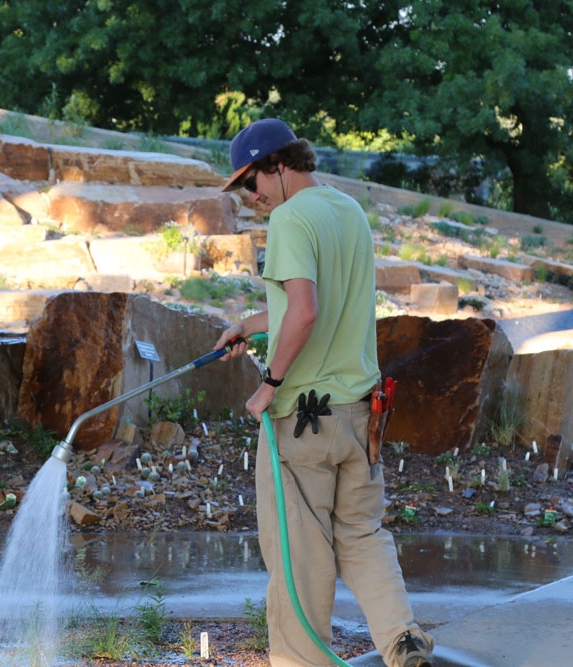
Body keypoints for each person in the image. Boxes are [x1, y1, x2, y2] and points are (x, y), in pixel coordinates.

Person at [214, 119, 433, 667]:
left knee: (299, 560)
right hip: (360, 416)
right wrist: (252, 323)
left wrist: (269, 384)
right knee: (362, 535)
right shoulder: (347, 210)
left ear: (279, 165)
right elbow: (317, 307)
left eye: (251, 182)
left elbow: (307, 311)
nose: (251, 196)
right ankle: (403, 642)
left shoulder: (290, 219)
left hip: (302, 423)